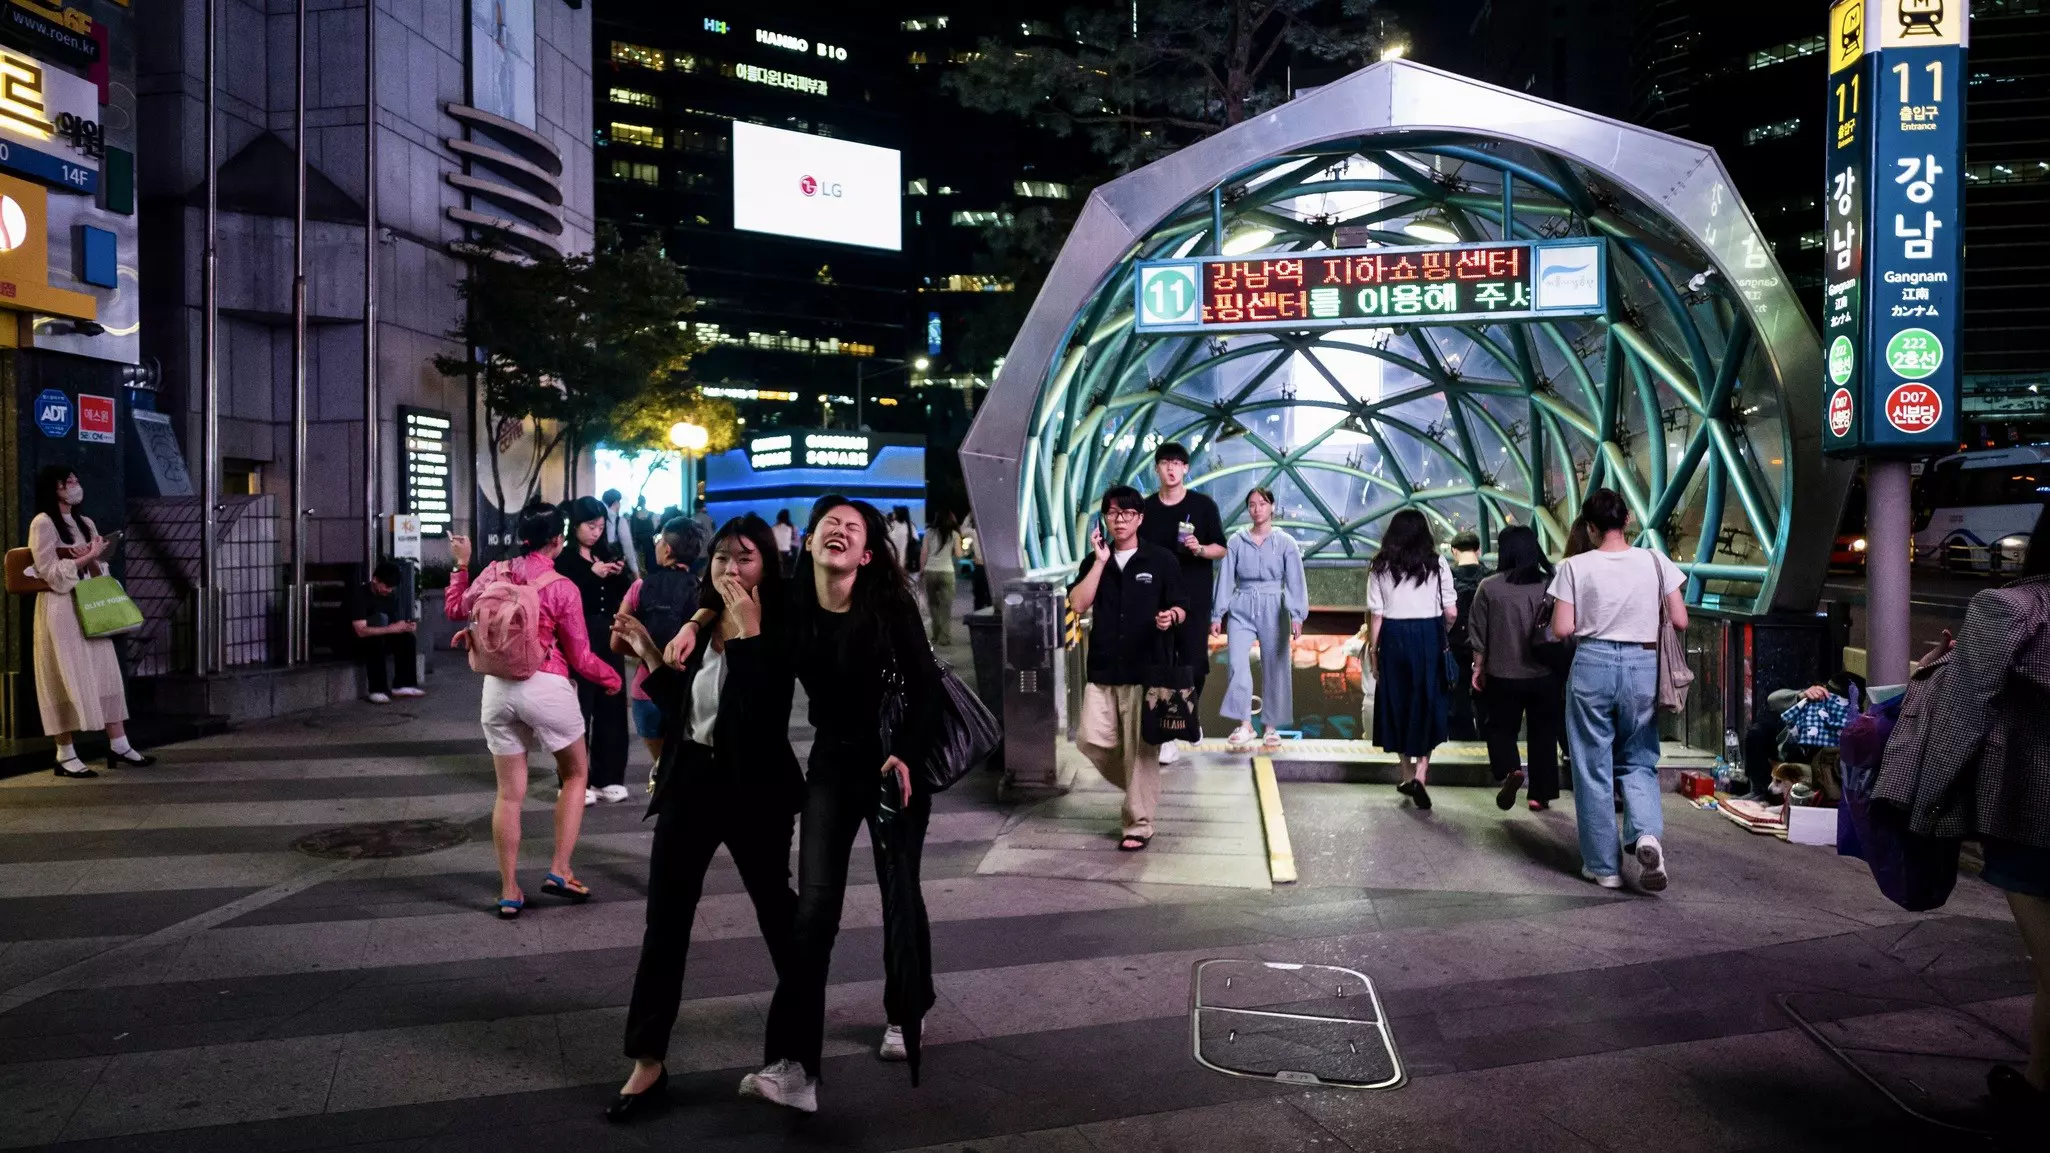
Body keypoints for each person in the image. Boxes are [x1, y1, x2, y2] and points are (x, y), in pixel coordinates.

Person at [671, 498, 939, 1114]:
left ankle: (906, 1012)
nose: (838, 532)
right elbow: (737, 586)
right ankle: (794, 1067)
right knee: (814, 908)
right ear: (811, 542)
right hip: (832, 762)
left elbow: (924, 687)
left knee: (901, 889)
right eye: (830, 525)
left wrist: (908, 757)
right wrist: (696, 621)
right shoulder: (792, 598)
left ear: (867, 553)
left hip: (892, 758)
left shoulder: (887, 602)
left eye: (853, 529)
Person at [604, 515, 801, 1124]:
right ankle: (648, 1059)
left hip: (755, 792)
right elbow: (688, 710)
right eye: (721, 559)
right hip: (692, 786)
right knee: (664, 920)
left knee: (778, 913)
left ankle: (799, 1043)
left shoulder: (779, 624)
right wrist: (648, 654)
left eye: (744, 559)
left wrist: (745, 637)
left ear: (767, 564)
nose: (730, 570)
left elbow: (760, 717)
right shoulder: (702, 622)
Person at [1876, 505, 2050, 1141]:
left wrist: (1919, 808)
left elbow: (1962, 714)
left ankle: (2036, 1097)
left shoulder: (2012, 608)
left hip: (2034, 813)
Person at [447, 504, 622, 917]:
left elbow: (456, 608)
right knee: (576, 773)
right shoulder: (562, 586)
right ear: (558, 540)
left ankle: (509, 890)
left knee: (509, 794)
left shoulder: (493, 571)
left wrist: (462, 565)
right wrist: (612, 679)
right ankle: (560, 869)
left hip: (497, 690)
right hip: (546, 685)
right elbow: (581, 657)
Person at [1547, 488, 1688, 892]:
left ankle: (1604, 868)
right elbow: (1679, 620)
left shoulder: (1574, 568)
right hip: (1643, 666)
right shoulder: (1655, 561)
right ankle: (1645, 835)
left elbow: (1562, 629)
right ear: (1627, 520)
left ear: (1589, 528)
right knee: (1639, 758)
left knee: (1592, 766)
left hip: (1592, 664)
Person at [1069, 486, 1187, 851]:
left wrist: (1171, 617)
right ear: (1104, 518)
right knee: (1090, 739)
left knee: (1140, 749)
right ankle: (1143, 787)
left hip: (1145, 668)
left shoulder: (1161, 560)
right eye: (1113, 513)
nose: (1120, 519)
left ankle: (1138, 822)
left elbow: (1182, 607)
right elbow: (1077, 603)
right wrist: (1101, 561)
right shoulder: (1095, 561)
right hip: (1104, 666)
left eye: (1127, 513)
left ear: (1140, 518)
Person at [26, 466, 153, 778]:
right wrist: (83, 557)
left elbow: (95, 570)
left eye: (76, 479)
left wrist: (97, 556)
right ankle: (65, 753)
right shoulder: (42, 522)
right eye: (67, 480)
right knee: (64, 674)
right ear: (52, 486)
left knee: (105, 672)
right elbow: (49, 572)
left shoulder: (84, 521)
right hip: (61, 607)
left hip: (90, 602)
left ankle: (119, 743)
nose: (74, 484)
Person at [1358, 509, 1456, 809]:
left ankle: (1406, 772)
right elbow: (1451, 611)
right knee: (1427, 701)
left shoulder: (1380, 565)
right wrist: (1440, 632)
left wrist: (1375, 652)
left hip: (1394, 637)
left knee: (1396, 703)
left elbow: (1377, 615)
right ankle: (1422, 773)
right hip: (1428, 634)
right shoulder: (1437, 563)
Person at [1139, 442, 1225, 762]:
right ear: (1157, 469)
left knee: (1194, 665)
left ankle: (1190, 716)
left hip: (1195, 597)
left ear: (1186, 468)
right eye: (1165, 463)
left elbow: (1221, 548)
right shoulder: (1146, 509)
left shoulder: (1203, 506)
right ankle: (1168, 733)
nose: (1171, 468)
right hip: (1157, 599)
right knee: (1160, 664)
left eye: (1177, 463)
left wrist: (1200, 549)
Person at [1468, 525, 1562, 812]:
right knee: (1544, 733)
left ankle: (1511, 770)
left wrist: (1477, 667)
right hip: (1545, 674)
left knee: (1500, 728)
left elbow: (1478, 632)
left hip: (1502, 675)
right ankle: (1539, 796)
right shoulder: (1550, 584)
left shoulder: (1489, 586)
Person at [1211, 487, 1307, 751]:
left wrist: (1298, 615)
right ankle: (1245, 724)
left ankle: (1272, 728)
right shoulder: (1236, 541)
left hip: (1275, 605)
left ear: (1272, 507)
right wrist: (1217, 614)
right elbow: (1226, 578)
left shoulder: (1286, 542)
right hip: (1241, 604)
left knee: (1276, 665)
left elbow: (1296, 580)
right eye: (1252, 505)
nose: (1257, 509)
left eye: (1262, 504)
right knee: (1236, 663)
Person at [559, 496, 635, 805]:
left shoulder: (607, 553)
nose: (596, 532)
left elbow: (627, 592)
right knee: (578, 708)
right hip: (578, 637)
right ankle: (575, 779)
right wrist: (593, 575)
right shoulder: (564, 560)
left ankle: (609, 777)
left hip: (608, 636)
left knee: (612, 705)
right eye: (591, 526)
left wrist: (618, 574)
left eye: (601, 527)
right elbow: (565, 596)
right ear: (574, 526)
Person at [615, 517, 705, 764]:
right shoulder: (703, 591)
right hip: (688, 692)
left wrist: (648, 653)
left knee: (661, 766)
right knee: (686, 763)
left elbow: (616, 641)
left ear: (667, 548)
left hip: (646, 690)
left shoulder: (640, 587)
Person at [1740, 680, 1853, 802]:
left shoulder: (1849, 721)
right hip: (1785, 755)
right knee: (1757, 732)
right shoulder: (1812, 703)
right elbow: (1773, 700)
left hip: (1816, 771)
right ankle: (1759, 790)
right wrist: (1801, 695)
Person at [350, 560, 423, 703]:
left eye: (392, 588)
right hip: (354, 640)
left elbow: (391, 624)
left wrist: (404, 627)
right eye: (386, 586)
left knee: (407, 638)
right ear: (375, 580)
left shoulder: (388, 597)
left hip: (378, 634)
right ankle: (377, 689)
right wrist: (390, 629)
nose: (388, 590)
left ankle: (403, 684)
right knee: (374, 641)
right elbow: (361, 631)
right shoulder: (359, 596)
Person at [1446, 530, 1488, 741]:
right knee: (1487, 704)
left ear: (1454, 551)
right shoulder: (1491, 578)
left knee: (1457, 702)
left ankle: (1462, 746)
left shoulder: (1447, 581)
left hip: (1454, 647)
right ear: (1478, 550)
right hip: (1485, 649)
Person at [921, 509, 960, 645]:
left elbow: (924, 553)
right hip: (947, 572)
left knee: (933, 605)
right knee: (946, 606)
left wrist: (921, 570)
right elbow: (959, 554)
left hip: (930, 571)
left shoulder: (929, 533)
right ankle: (944, 638)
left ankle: (935, 635)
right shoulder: (954, 535)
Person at [602, 489, 643, 579]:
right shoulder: (620, 521)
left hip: (600, 569)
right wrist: (636, 575)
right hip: (616, 570)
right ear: (616, 503)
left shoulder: (599, 518)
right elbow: (628, 550)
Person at [962, 512, 991, 610]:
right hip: (993, 568)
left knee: (979, 599)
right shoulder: (995, 533)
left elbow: (962, 530)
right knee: (992, 598)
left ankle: (978, 620)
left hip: (980, 567)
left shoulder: (975, 532)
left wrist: (969, 515)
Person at [629, 496, 658, 574]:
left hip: (643, 547)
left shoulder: (634, 516)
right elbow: (655, 530)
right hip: (645, 547)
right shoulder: (651, 515)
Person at [886, 505, 916, 572]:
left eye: (894, 512)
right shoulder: (910, 526)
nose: (892, 513)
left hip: (891, 560)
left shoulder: (891, 525)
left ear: (898, 514)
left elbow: (887, 543)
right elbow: (915, 541)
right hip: (905, 561)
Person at [771, 509, 798, 577]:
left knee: (780, 571)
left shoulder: (774, 528)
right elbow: (797, 542)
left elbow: (773, 541)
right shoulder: (793, 527)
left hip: (779, 552)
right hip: (792, 551)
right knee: (790, 571)